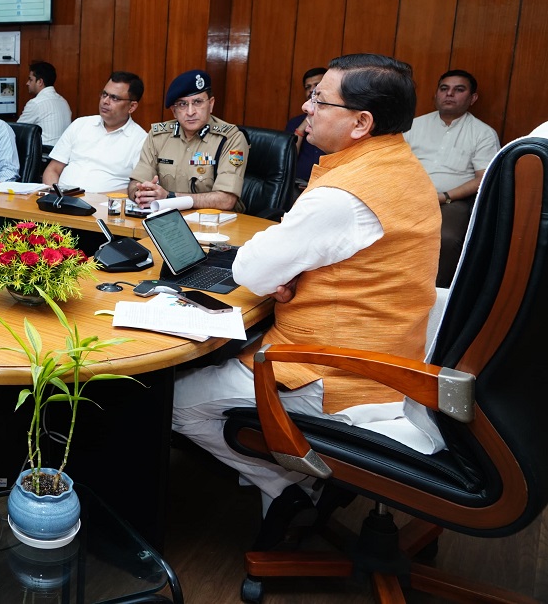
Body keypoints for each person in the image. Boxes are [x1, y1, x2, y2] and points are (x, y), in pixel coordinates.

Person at [172, 53, 441, 549]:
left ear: (361, 122)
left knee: (174, 402)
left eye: (319, 100)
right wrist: (292, 265)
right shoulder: (401, 167)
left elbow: (250, 269)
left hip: (332, 371)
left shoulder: (345, 194)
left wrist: (280, 267)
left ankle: (289, 486)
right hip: (391, 354)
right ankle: (298, 480)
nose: (305, 107)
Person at [404, 69, 499, 287]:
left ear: (472, 98)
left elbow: (483, 179)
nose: (449, 94)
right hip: (408, 195)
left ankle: (435, 296)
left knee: (446, 239)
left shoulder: (482, 133)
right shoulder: (413, 126)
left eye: (459, 90)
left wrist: (443, 196)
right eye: (444, 89)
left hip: (452, 201)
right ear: (435, 94)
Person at [128, 69, 248, 211]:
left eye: (197, 102)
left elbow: (226, 200)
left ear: (211, 104)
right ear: (174, 111)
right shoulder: (158, 136)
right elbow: (135, 182)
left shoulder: (231, 138)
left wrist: (169, 198)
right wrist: (141, 193)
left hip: (215, 224)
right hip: (168, 220)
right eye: (183, 104)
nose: (190, 112)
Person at [43, 72, 147, 192]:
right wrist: (55, 195)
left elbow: (137, 188)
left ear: (132, 107)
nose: (105, 101)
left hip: (104, 207)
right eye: (104, 94)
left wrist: (96, 200)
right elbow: (53, 169)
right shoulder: (80, 124)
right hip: (61, 202)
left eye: (114, 98)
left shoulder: (141, 140)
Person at [284, 67, 328, 186]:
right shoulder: (294, 123)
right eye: (307, 87)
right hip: (297, 183)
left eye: (316, 85)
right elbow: (288, 158)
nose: (311, 90)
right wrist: (302, 127)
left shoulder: (334, 121)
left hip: (327, 183)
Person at [17, 60, 72, 146]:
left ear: (40, 82)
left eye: (30, 79)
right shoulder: (63, 101)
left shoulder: (36, 103)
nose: (27, 83)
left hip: (44, 156)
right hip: (62, 155)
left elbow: (18, 131)